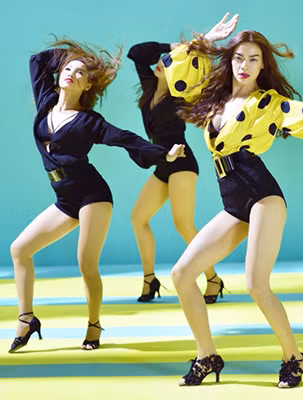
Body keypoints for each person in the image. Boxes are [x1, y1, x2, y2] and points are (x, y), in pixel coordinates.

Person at [163, 13, 303, 387]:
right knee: (182, 275)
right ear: (229, 60)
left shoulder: (268, 103)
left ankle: (294, 357)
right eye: (238, 57)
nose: (244, 65)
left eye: (253, 59)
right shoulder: (213, 97)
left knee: (256, 284)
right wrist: (204, 40)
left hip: (262, 195)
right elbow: (177, 75)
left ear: (264, 66)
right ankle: (206, 355)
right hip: (233, 202)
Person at [9, 39, 185, 353]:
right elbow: (38, 60)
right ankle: (26, 319)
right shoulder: (46, 101)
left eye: (80, 73)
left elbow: (126, 138)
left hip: (93, 195)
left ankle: (93, 325)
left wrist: (164, 154)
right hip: (65, 200)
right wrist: (71, 55)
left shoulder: (89, 121)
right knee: (20, 249)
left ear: (88, 85)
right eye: (68, 69)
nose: (71, 74)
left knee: (86, 264)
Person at [127, 41, 223, 304]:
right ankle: (150, 279)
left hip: (181, 161)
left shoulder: (180, 97)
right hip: (162, 162)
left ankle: (213, 277)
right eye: (163, 59)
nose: (163, 63)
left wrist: (192, 50)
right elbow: (136, 53)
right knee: (138, 218)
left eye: (171, 63)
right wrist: (170, 46)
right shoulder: (149, 84)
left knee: (183, 224)